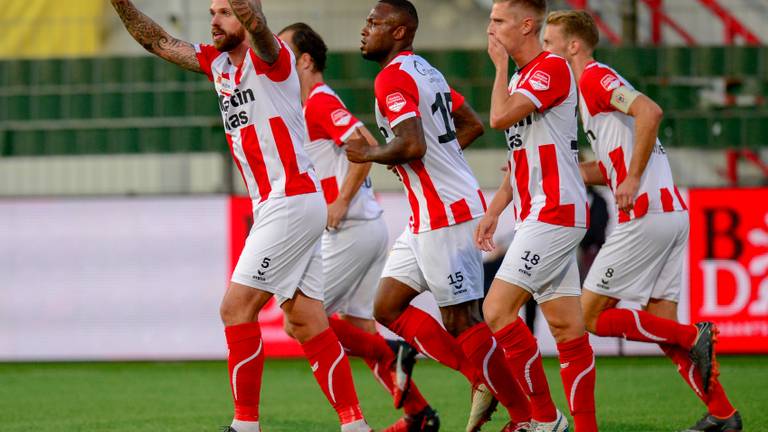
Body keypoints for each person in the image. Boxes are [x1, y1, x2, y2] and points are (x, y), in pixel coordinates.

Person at [110, 1, 373, 431]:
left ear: (247, 15)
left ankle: (245, 426)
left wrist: (250, 13)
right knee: (307, 321)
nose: (215, 20)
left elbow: (263, 31)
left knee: (235, 309)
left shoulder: (274, 60)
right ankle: (354, 424)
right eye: (212, 11)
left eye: (226, 12)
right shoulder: (216, 63)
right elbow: (156, 40)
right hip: (288, 203)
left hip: (289, 199)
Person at [542, 10, 742, 432]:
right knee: (662, 326)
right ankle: (724, 414)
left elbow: (650, 111)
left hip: (645, 213)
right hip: (669, 213)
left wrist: (632, 178)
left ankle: (694, 337)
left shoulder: (595, 78)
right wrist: (574, 171)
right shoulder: (586, 90)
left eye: (548, 42)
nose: (545, 50)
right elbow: (611, 164)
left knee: (590, 316)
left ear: (572, 46)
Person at [346, 1, 536, 431]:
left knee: (461, 320)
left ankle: (526, 418)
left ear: (399, 32)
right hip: (428, 212)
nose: (365, 30)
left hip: (445, 213)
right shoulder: (425, 71)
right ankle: (480, 377)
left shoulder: (392, 77)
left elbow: (411, 145)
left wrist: (371, 153)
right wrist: (429, 160)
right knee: (387, 306)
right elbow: (469, 124)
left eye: (374, 23)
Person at [277, 22, 439, 432]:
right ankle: (419, 415)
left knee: (297, 320)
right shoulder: (304, 106)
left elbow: (363, 145)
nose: (274, 60)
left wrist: (339, 202)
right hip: (365, 228)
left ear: (306, 60)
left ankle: (392, 351)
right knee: (359, 328)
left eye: (283, 52)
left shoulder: (317, 101)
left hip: (349, 230)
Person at [478, 0, 599, 431]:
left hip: (556, 213)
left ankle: (544, 420)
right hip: (538, 215)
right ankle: (584, 427)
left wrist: (495, 69)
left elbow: (497, 117)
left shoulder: (550, 68)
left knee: (496, 310)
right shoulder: (523, 76)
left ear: (526, 25)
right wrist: (495, 211)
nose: (489, 28)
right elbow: (517, 160)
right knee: (567, 331)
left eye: (498, 20)